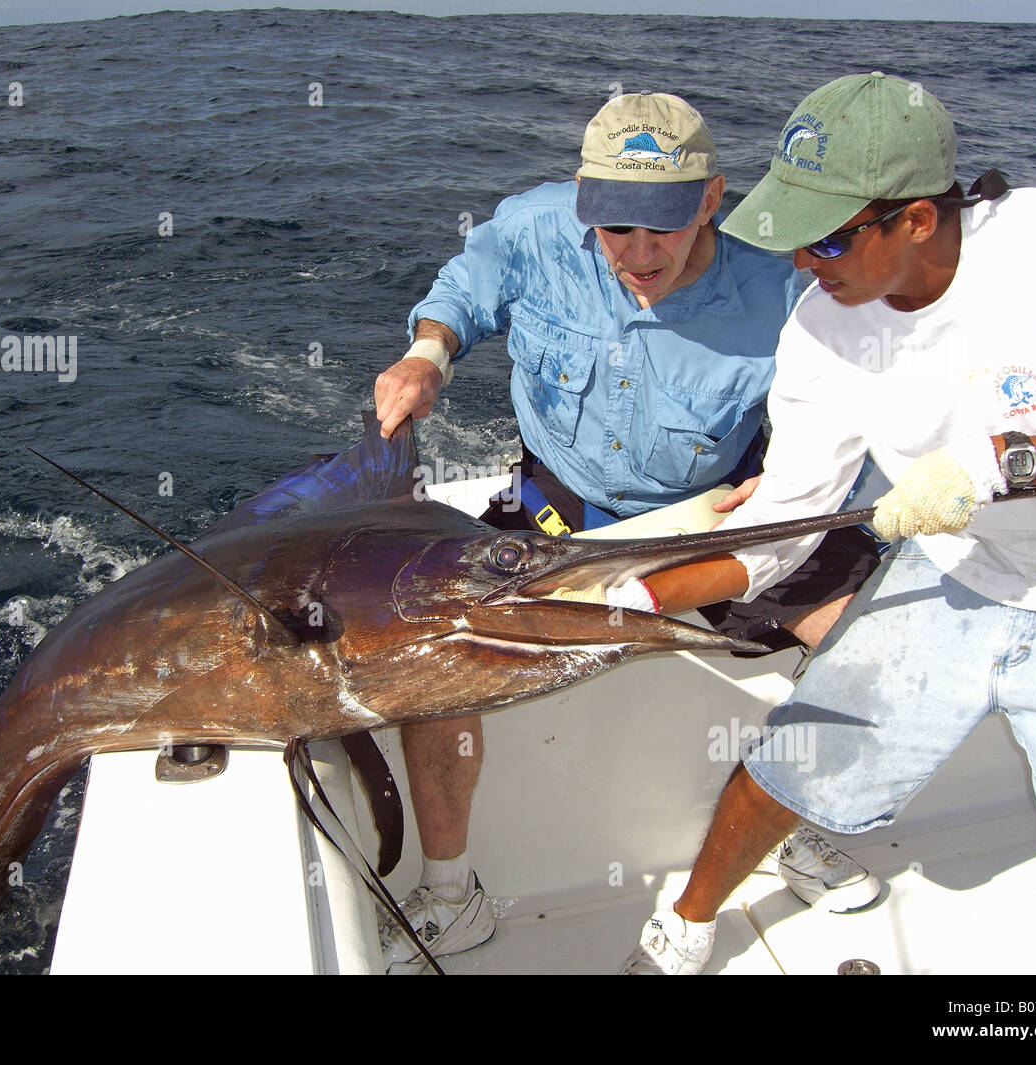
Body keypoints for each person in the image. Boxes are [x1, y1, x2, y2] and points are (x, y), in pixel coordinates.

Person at [619, 71, 1036, 975]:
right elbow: (787, 520)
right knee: (791, 762)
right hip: (960, 567)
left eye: (831, 237)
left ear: (918, 220)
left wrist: (1002, 462)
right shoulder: (822, 325)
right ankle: (690, 922)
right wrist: (632, 600)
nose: (806, 262)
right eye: (796, 237)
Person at [372, 91, 882, 973]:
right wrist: (429, 353)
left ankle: (796, 819)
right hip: (557, 516)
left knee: (861, 647)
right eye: (616, 230)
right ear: (583, 204)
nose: (640, 256)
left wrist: (795, 469)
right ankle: (452, 896)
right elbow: (465, 289)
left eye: (665, 228)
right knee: (436, 660)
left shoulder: (783, 280)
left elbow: (867, 402)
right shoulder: (533, 229)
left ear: (713, 199)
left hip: (714, 513)